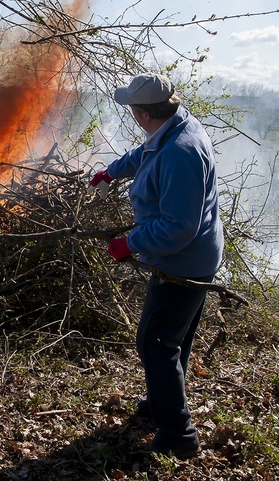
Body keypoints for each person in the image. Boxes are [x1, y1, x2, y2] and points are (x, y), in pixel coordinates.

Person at [88, 73, 224, 459]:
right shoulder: (172, 126)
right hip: (187, 256)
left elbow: (180, 226)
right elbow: (145, 153)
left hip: (184, 262)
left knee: (155, 342)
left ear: (142, 113)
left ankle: (178, 435)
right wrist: (111, 171)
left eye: (132, 107)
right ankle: (158, 404)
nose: (130, 112)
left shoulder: (182, 151)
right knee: (171, 339)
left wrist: (129, 243)